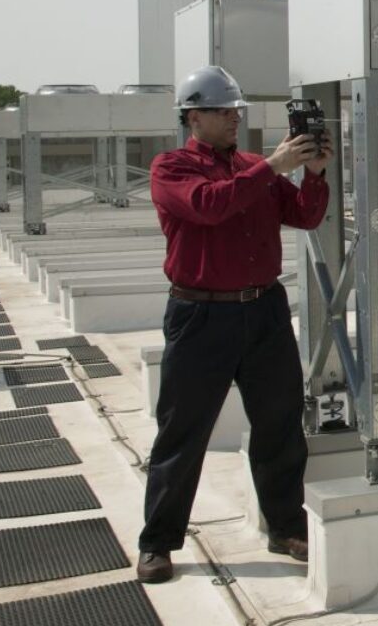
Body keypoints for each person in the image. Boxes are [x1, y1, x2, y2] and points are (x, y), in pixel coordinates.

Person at [136, 65, 332, 585]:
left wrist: (314, 175)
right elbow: (209, 206)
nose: (233, 119)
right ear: (192, 117)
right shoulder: (171, 168)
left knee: (279, 424)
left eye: (236, 111)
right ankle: (157, 542)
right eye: (222, 111)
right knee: (183, 431)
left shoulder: (252, 167)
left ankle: (286, 527)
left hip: (263, 309)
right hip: (200, 315)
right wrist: (273, 166)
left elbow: (305, 216)